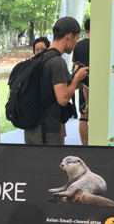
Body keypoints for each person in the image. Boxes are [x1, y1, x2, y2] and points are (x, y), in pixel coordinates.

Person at [25, 16, 88, 145]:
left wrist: (75, 80)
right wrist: (77, 78)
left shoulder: (41, 57)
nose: (76, 43)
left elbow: (51, 89)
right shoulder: (57, 62)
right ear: (69, 36)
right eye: (76, 39)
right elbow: (63, 98)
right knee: (52, 165)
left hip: (31, 128)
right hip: (47, 132)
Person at [72, 18, 90, 146]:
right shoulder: (101, 43)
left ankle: (85, 146)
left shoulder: (78, 45)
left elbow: (75, 66)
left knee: (83, 117)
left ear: (85, 30)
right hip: (100, 86)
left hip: (83, 82)